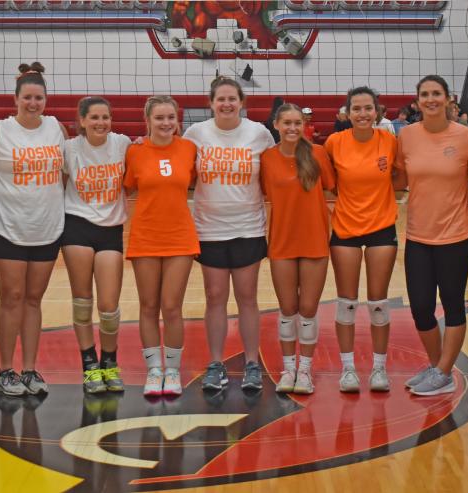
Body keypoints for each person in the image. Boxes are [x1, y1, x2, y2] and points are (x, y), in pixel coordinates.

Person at [183, 76, 275, 392]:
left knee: (247, 298)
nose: (226, 104)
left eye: (232, 99)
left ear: (241, 102)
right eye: (220, 99)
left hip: (248, 228)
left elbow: (277, 168)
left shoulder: (259, 134)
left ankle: (252, 364)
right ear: (210, 103)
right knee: (215, 298)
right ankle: (216, 364)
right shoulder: (195, 134)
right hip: (209, 230)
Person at [0, 62, 67, 396]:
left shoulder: (56, 128)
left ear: (46, 100)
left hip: (47, 225)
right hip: (6, 226)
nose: (33, 103)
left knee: (33, 299)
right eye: (27, 97)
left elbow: (65, 170)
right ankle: (5, 370)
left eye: (39, 98)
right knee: (12, 297)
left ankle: (30, 370)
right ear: (16, 98)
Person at [396, 75, 468, 396]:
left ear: (447, 99)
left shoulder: (467, 137)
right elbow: (399, 180)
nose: (430, 99)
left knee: (453, 306)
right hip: (418, 236)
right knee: (420, 308)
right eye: (424, 94)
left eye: (436, 93)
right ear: (417, 101)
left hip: (456, 237)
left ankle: (443, 370)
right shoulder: (406, 137)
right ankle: (438, 369)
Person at [325, 87, 400, 393]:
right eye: (356, 108)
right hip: (345, 228)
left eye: (368, 108)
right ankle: (348, 370)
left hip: (382, 226)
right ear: (347, 112)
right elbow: (328, 183)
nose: (363, 114)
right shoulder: (335, 142)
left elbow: (400, 177)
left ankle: (379, 369)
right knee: (346, 305)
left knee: (379, 303)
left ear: (377, 111)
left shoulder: (389, 141)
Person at [124, 96, 199, 397]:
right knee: (149, 305)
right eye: (159, 118)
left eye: (171, 117)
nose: (166, 123)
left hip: (180, 236)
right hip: (145, 235)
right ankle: (154, 371)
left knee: (171, 306)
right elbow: (126, 186)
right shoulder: (135, 151)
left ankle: (172, 370)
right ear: (148, 120)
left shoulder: (189, 149)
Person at [261, 103, 335, 394]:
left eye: (297, 123)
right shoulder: (266, 158)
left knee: (307, 309)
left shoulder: (317, 154)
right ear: (276, 125)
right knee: (287, 309)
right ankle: (288, 369)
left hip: (315, 240)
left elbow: (332, 186)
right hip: (281, 242)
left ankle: (304, 371)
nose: (293, 128)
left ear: (304, 125)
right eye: (287, 123)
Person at [60, 97, 131, 394]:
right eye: (95, 118)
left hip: (111, 229)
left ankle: (109, 363)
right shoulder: (70, 148)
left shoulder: (122, 144)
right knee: (82, 301)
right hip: (77, 224)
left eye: (106, 117)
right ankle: (89, 364)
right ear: (83, 121)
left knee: (109, 306)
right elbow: (59, 180)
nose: (101, 123)